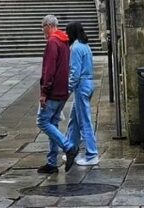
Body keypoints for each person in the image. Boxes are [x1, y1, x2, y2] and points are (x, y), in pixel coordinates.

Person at [35, 13, 77, 174]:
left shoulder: (53, 42)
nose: (43, 32)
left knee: (42, 121)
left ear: (49, 26)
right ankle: (52, 162)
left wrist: (44, 91)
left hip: (52, 91)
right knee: (53, 123)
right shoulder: (64, 41)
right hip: (62, 90)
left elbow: (49, 69)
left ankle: (68, 147)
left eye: (43, 28)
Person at [66, 21, 100, 166]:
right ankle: (71, 148)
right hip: (89, 83)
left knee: (84, 121)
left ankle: (92, 154)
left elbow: (75, 72)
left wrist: (68, 89)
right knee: (74, 118)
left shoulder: (75, 48)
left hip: (81, 86)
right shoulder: (85, 46)